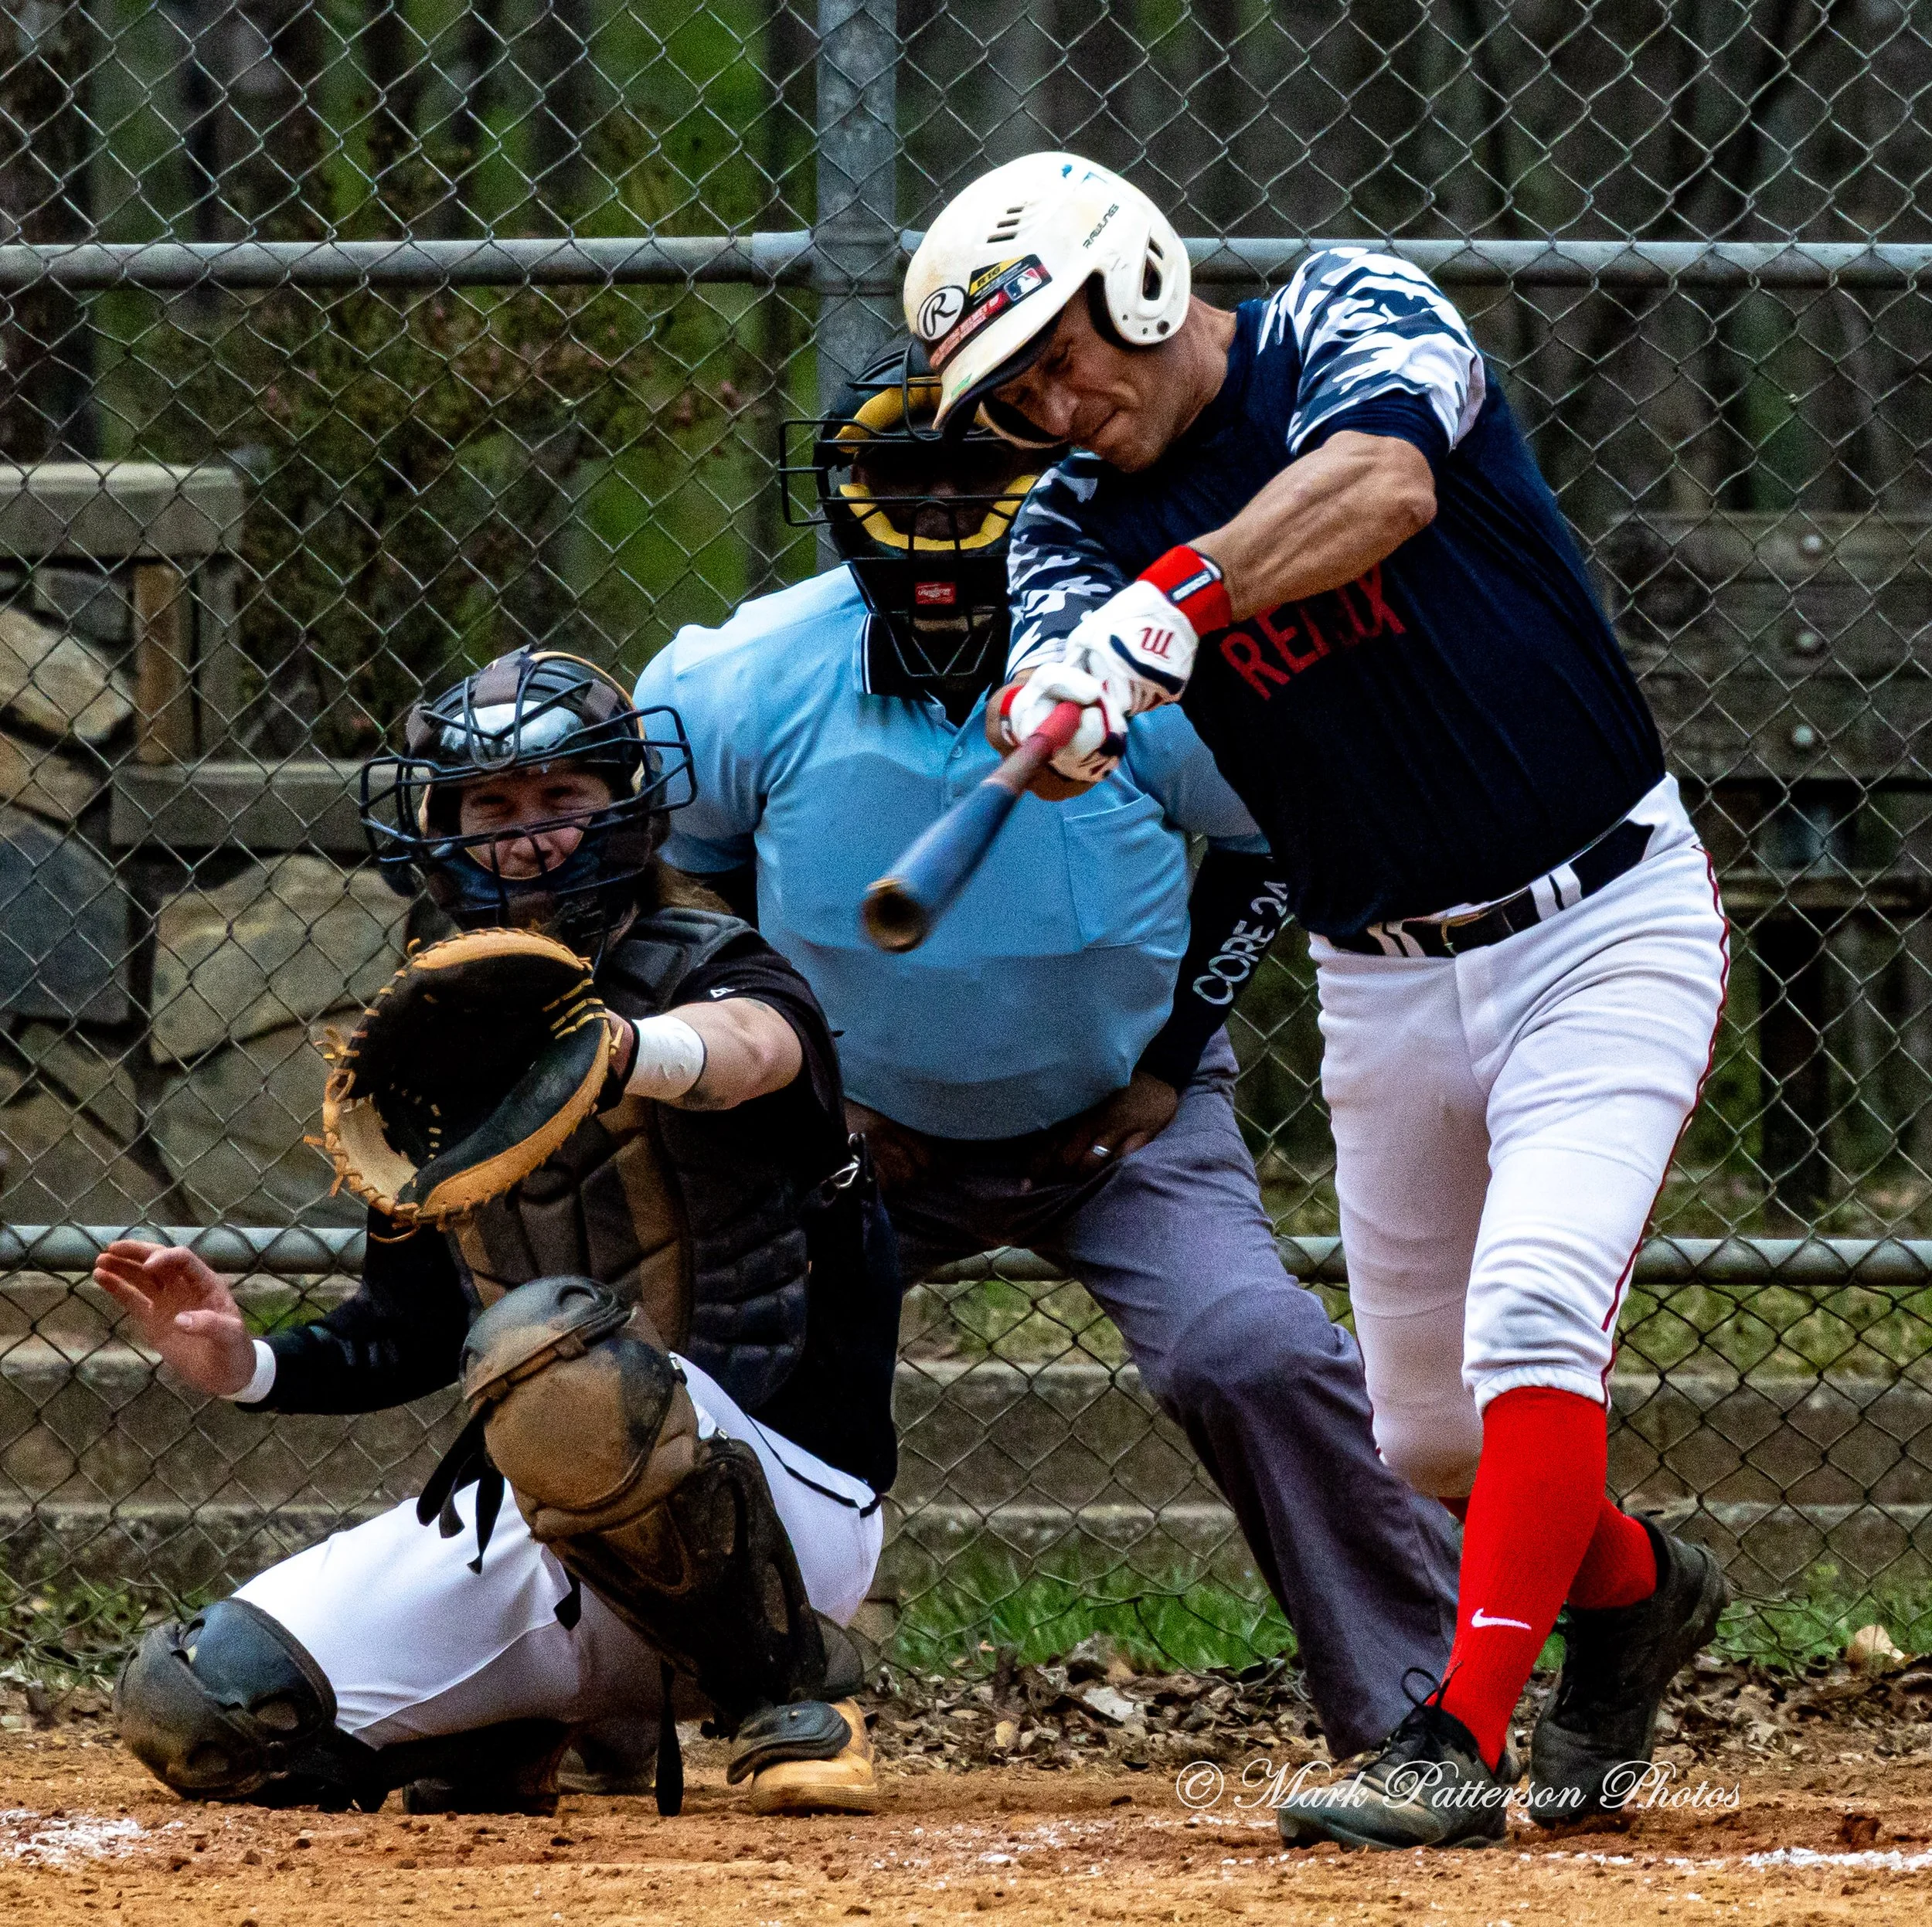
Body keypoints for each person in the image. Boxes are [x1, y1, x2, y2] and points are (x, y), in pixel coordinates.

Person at [902, 152, 1733, 1848]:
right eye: (1016, 392)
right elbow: (1052, 694)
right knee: (1431, 1437)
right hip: (1382, 973)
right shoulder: (1065, 521)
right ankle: (1636, 1591)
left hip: (1601, 917)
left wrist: (1176, 600)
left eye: (1062, 354)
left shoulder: (1341, 314)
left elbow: (1382, 487)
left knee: (1530, 1316)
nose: (1056, 405)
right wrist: (1059, 706)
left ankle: (1454, 1738)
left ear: (1137, 276)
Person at [634, 347, 1460, 1764]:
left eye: (979, 469)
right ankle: (612, 1694)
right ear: (841, 487)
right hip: (850, 1136)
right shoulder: (741, 676)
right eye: (904, 476)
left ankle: (1420, 1710)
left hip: (1115, 1122)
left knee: (1252, 1350)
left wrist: (1170, 1061)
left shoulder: (1132, 662)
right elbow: (685, 887)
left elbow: (1268, 842)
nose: (940, 508)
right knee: (667, 1367)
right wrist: (813, 1093)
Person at [100, 650, 899, 1819]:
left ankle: (791, 1695)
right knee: (205, 1704)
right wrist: (247, 1360)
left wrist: (625, 1051)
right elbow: (412, 1325)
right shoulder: (430, 1035)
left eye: (561, 797)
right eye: (492, 808)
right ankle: (517, 1721)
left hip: (790, 1514)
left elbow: (757, 1051)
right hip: (548, 1538)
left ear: (626, 804)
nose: (528, 838)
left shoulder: (721, 966)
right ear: (444, 831)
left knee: (556, 1351)